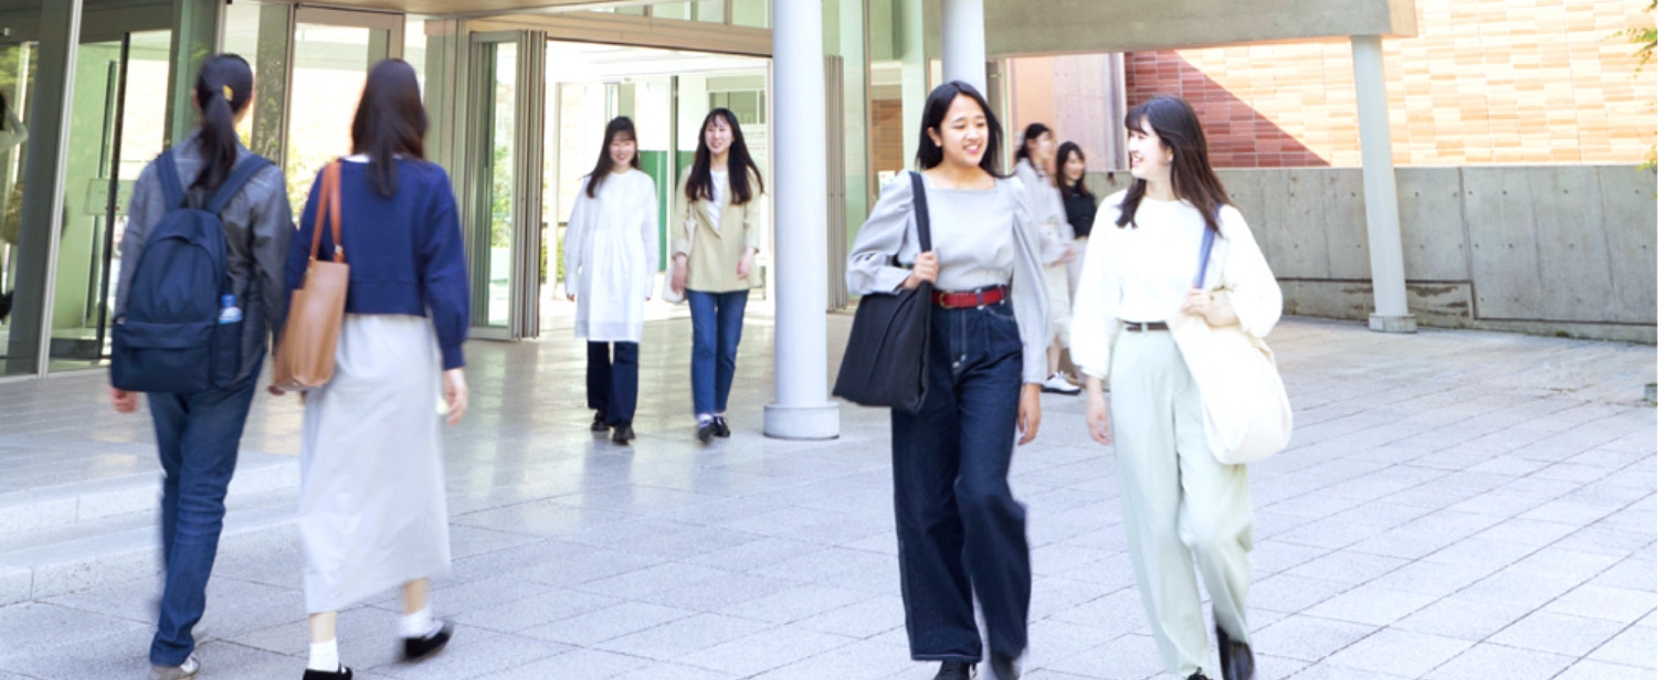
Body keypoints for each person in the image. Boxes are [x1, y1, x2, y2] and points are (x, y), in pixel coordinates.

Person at [1072, 94, 1281, 680]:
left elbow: (1264, 297)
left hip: (1202, 363)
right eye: (1130, 134)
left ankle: (1232, 627)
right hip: (1135, 361)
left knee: (1214, 526)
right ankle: (1188, 664)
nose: (1132, 145)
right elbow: (1094, 303)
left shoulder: (1218, 216)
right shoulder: (1115, 215)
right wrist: (1094, 386)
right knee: (1155, 527)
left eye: (1142, 135)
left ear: (1172, 145)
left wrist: (1219, 308)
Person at [273, 59, 470, 680]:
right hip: (406, 352)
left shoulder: (331, 179)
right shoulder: (430, 183)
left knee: (329, 494)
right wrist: (453, 361)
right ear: (415, 113)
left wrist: (296, 360)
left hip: (337, 352)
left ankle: (322, 656)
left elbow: (296, 271)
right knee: (410, 485)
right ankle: (414, 625)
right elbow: (445, 277)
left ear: (363, 112)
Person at [847, 81, 1048, 680]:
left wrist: (1032, 379)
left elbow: (1031, 289)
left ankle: (1006, 635)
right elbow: (859, 266)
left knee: (983, 491)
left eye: (979, 122)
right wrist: (908, 275)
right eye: (959, 125)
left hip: (994, 341)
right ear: (935, 134)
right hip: (927, 345)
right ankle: (955, 650)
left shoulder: (1009, 194)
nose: (973, 134)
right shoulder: (908, 191)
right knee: (926, 506)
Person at [108, 54, 293, 680]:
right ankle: (172, 639)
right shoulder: (262, 181)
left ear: (195, 98)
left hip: (161, 351)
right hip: (228, 360)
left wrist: (123, 362)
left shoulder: (155, 174)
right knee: (204, 492)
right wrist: (286, 357)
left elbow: (133, 265)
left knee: (177, 480)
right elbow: (276, 275)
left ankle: (175, 613)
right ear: (247, 104)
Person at [668, 107, 765, 444]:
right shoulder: (691, 174)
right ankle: (704, 414)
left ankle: (718, 408)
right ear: (704, 135)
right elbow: (678, 220)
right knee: (705, 342)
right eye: (711, 129)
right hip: (700, 268)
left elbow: (754, 220)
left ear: (733, 135)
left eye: (722, 129)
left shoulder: (748, 176)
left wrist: (749, 253)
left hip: (737, 270)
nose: (716, 136)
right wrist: (680, 258)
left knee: (728, 347)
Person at [564, 116, 659, 445]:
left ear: (635, 146)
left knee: (627, 343)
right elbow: (576, 229)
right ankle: (602, 407)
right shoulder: (592, 184)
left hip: (629, 270)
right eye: (616, 143)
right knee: (597, 343)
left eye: (627, 143)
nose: (622, 149)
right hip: (597, 271)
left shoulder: (644, 184)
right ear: (607, 146)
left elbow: (650, 234)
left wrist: (649, 277)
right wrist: (571, 274)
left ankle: (623, 419)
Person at [1012, 122, 1078, 395]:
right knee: (1048, 311)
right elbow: (1031, 218)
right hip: (1041, 255)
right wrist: (1054, 247)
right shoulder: (1024, 173)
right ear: (1031, 143)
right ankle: (1043, 372)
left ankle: (1051, 372)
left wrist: (1063, 242)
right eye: (1045, 140)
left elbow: (1055, 215)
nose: (1050, 145)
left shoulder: (1041, 173)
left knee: (1058, 311)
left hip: (1053, 252)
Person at [1056, 141, 1096, 299]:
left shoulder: (1087, 196)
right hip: (1071, 253)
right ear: (1062, 165)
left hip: (1090, 250)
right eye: (1072, 162)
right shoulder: (1057, 196)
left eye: (1080, 161)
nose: (1077, 167)